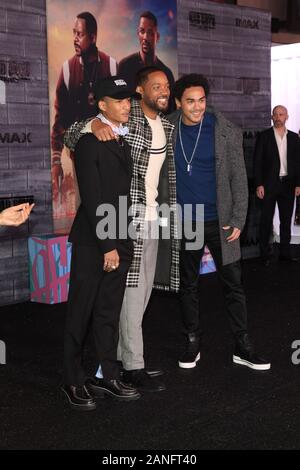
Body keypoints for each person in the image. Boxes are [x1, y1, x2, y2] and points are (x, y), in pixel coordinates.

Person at [64, 66, 179, 393]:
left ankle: (110, 368)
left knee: (128, 300)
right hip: (115, 226)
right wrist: (93, 122)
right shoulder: (118, 128)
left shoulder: (165, 127)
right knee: (99, 305)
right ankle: (121, 368)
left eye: (166, 86)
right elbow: (73, 133)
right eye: (155, 86)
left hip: (147, 221)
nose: (162, 91)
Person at [169, 73, 270, 371]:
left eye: (201, 100)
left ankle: (242, 344)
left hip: (221, 221)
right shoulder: (166, 129)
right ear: (178, 102)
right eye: (190, 101)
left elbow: (239, 178)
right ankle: (192, 340)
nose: (197, 107)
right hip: (187, 220)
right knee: (187, 285)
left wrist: (239, 216)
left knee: (234, 285)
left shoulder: (224, 130)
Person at [62, 76, 140, 411]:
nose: (126, 105)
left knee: (108, 311)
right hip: (95, 240)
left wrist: (123, 240)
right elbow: (93, 199)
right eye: (119, 100)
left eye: (128, 100)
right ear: (102, 105)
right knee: (81, 310)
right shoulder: (90, 139)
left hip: (119, 237)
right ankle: (72, 379)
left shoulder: (121, 137)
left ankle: (107, 374)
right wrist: (108, 244)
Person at [51, 11, 117, 198]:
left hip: (109, 152)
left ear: (93, 37)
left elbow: (124, 111)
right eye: (73, 33)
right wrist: (56, 161)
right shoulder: (67, 70)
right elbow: (60, 117)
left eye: (79, 34)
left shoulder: (111, 66)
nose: (74, 39)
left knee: (113, 209)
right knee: (86, 209)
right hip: (79, 154)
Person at [254, 105, 300, 265]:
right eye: (275, 114)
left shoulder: (294, 138)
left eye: (281, 114)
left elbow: (298, 163)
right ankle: (264, 255)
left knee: (285, 221)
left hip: (288, 184)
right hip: (269, 185)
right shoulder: (264, 136)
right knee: (266, 220)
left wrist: (298, 184)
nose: (278, 117)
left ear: (287, 117)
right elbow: (257, 162)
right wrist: (259, 184)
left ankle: (285, 254)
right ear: (272, 117)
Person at [118, 11, 175, 111]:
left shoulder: (166, 73)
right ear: (138, 34)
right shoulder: (125, 66)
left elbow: (170, 110)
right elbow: (118, 102)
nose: (145, 37)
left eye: (150, 33)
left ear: (157, 37)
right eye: (142, 31)